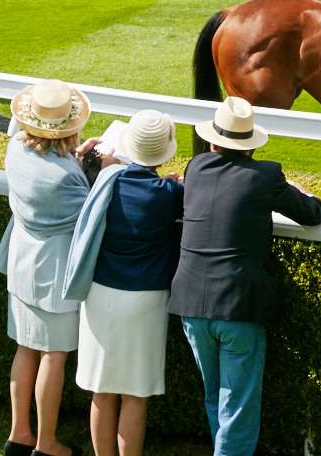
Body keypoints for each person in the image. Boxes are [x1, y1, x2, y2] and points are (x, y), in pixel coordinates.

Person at [170, 97, 321, 456]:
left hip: (191, 304)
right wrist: (305, 193)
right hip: (238, 307)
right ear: (251, 145)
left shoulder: (195, 168)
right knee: (236, 405)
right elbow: (313, 213)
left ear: (212, 142)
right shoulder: (265, 175)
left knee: (218, 398)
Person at [63, 109, 183, 456]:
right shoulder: (168, 193)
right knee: (135, 394)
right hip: (144, 300)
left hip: (100, 293)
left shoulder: (107, 179)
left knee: (102, 390)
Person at [0, 80, 93, 456]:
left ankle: (19, 433)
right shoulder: (66, 177)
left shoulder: (15, 150)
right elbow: (91, 213)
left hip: (22, 263)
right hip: (54, 273)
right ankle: (45, 442)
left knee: (25, 348)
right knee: (53, 355)